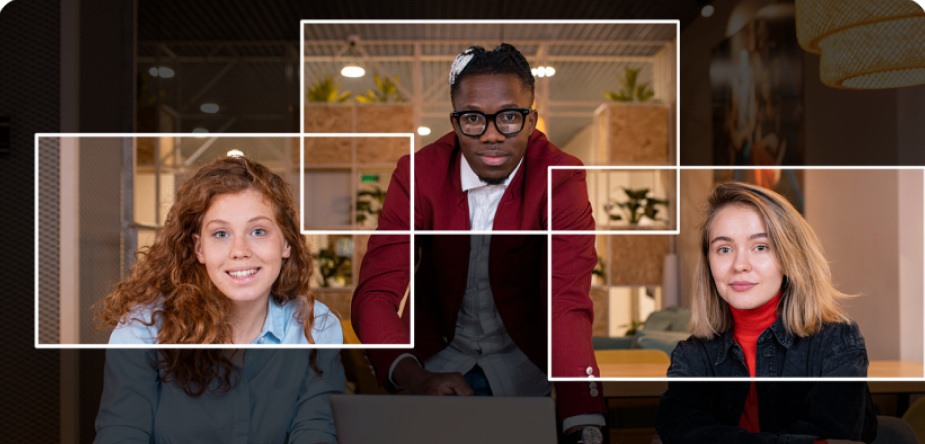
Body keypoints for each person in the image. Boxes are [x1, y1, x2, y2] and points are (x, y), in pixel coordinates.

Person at [351, 43, 606, 443]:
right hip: (432, 367)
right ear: (455, 123)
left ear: (531, 119)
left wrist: (583, 417)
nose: (490, 136)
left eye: (508, 117)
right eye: (473, 118)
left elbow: (566, 301)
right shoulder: (418, 173)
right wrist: (414, 376)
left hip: (522, 373)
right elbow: (376, 293)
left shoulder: (560, 176)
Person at [93, 156, 343, 444]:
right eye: (221, 233)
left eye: (258, 231)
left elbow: (316, 431)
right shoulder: (142, 330)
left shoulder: (317, 328)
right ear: (200, 249)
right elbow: (122, 433)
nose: (239, 250)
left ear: (286, 242)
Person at [655, 182, 876, 444]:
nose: (739, 265)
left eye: (760, 247)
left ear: (790, 256)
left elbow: (831, 438)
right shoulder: (692, 355)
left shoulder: (837, 342)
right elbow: (679, 427)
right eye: (724, 249)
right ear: (709, 263)